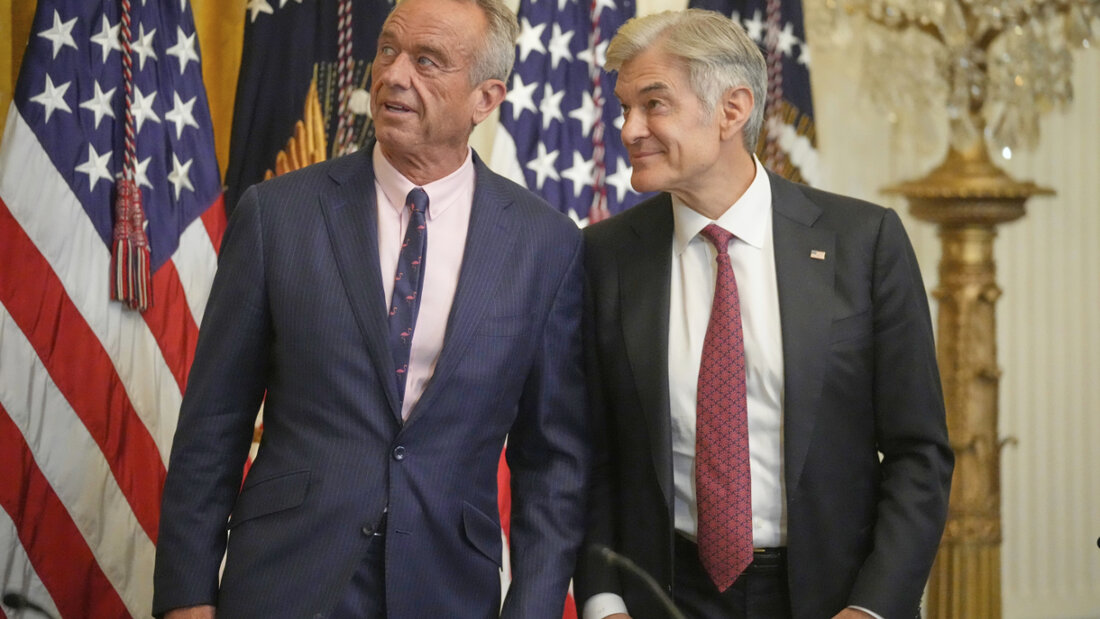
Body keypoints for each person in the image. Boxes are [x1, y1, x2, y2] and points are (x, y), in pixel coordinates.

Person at [152, 0, 588, 617]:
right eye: (388, 50)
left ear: (485, 99)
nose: (393, 76)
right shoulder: (277, 214)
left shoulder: (547, 245)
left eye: (427, 61)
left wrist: (533, 609)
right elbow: (212, 424)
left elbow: (552, 465)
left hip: (446, 589)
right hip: (284, 580)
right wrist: (186, 596)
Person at [574, 9, 953, 619]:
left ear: (732, 109)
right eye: (623, 109)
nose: (629, 130)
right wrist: (604, 597)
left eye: (653, 104)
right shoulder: (603, 257)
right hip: (660, 596)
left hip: (833, 597)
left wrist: (873, 609)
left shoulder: (865, 242)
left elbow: (919, 454)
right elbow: (588, 452)